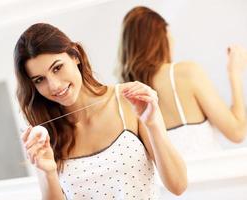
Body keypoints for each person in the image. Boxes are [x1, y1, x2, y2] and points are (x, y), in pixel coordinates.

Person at [15, 23, 187, 199]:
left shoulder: (129, 101)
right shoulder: (46, 136)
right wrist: (48, 172)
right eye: (39, 80)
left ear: (75, 56)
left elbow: (178, 185)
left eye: (57, 68)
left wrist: (153, 124)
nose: (54, 85)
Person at [119, 6, 247, 159]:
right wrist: (234, 73)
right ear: (162, 38)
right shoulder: (185, 73)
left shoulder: (124, 96)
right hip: (212, 179)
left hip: (165, 183)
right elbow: (237, 132)